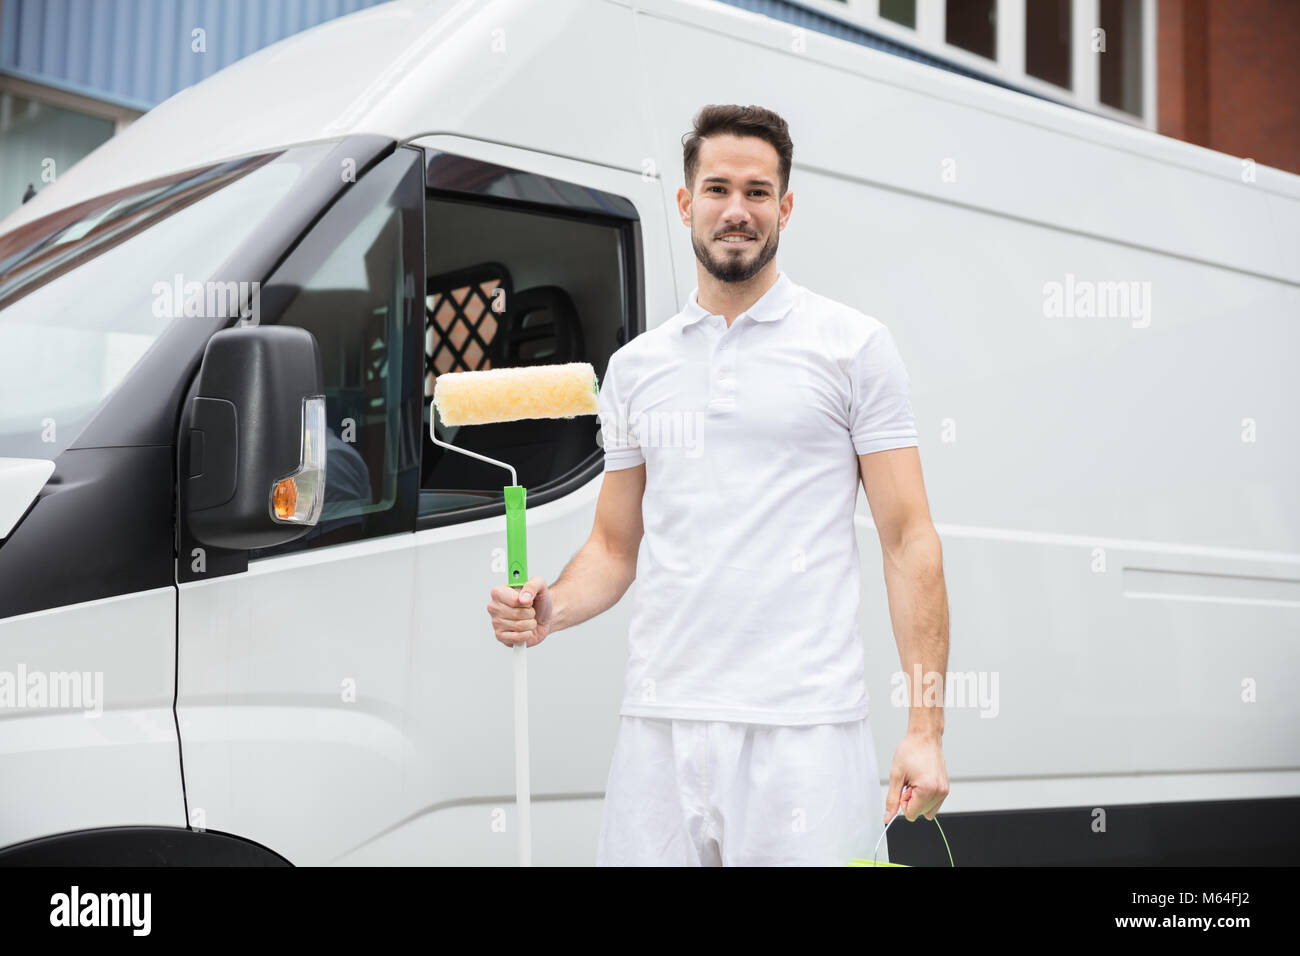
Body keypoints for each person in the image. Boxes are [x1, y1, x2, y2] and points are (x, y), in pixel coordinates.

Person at [486, 105, 950, 866]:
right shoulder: (637, 369)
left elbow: (908, 540)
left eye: (759, 192)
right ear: (685, 203)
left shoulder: (853, 347)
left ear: (786, 208)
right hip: (659, 727)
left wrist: (925, 729)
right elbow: (613, 544)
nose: (737, 211)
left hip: (806, 728)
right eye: (718, 189)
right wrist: (551, 607)